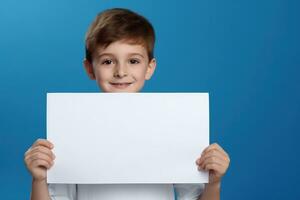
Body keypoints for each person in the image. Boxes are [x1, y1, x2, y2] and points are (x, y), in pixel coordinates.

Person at [24, 8, 230, 200]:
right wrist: (39, 179)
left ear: (149, 67)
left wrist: (214, 183)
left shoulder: (172, 123)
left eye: (133, 61)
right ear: (90, 68)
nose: (121, 72)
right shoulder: (73, 126)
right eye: (107, 61)